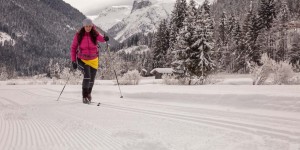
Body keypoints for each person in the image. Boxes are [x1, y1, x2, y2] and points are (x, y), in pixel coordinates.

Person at [70, 18, 109, 104]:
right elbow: (73, 48)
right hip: (82, 59)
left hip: (94, 59)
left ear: (92, 26)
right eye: (86, 26)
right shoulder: (79, 35)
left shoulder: (94, 33)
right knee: (87, 76)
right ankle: (84, 96)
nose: (88, 28)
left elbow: (101, 38)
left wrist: (105, 38)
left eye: (89, 26)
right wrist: (73, 61)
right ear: (83, 26)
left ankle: (89, 94)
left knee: (92, 79)